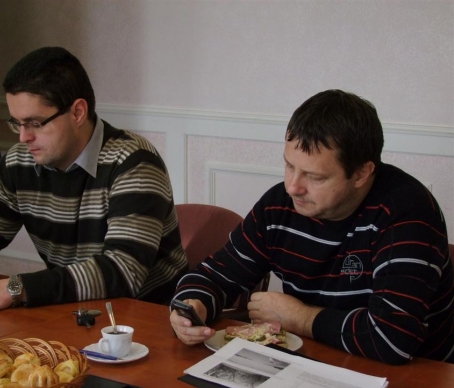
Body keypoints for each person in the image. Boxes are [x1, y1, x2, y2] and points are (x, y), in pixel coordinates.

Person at [170, 89, 454, 365]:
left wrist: (299, 317)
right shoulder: (279, 206)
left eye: (314, 177)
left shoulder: (408, 213)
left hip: (418, 379)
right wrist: (192, 307)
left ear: (361, 173)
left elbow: (392, 338)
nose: (293, 187)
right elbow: (215, 275)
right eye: (289, 166)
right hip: (314, 365)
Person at [0, 46, 188, 313]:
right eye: (17, 123)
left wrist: (14, 288)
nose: (23, 137)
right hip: (73, 312)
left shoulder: (134, 162)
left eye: (35, 123)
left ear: (77, 112)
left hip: (148, 318)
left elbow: (122, 271)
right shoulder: (20, 162)